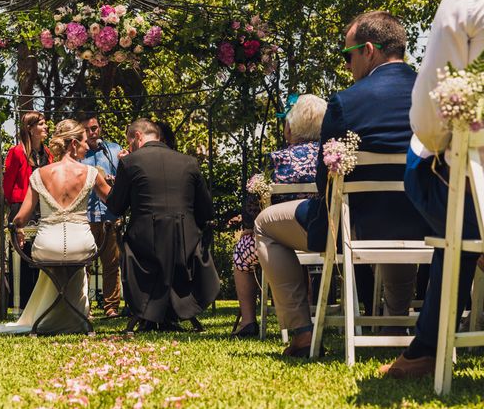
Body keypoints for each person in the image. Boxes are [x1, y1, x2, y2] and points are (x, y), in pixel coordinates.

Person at [256, 11, 430, 357]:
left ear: (369, 50)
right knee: (398, 209)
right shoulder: (433, 95)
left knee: (265, 224)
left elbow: (325, 183)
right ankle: (395, 323)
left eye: (347, 55)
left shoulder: (346, 102)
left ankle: (302, 332)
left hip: (355, 226)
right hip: (424, 220)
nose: (347, 64)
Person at [380, 0, 484, 378]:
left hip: (475, 188)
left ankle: (427, 347)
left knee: (432, 175)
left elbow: (428, 117)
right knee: (459, 217)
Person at [0, 120, 112, 335]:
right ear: (72, 144)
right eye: (83, 142)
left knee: (55, 260)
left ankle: (51, 316)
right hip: (82, 246)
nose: (88, 146)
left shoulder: (39, 174)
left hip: (46, 247)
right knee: (76, 260)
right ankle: (74, 318)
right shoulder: (91, 173)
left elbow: (21, 218)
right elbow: (114, 201)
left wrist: (17, 228)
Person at [106, 118, 220, 330]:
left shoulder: (130, 163)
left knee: (128, 238)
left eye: (129, 141)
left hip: (145, 246)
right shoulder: (189, 162)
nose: (129, 147)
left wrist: (100, 186)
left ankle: (149, 312)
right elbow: (206, 211)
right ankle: (174, 312)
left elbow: (116, 207)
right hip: (185, 245)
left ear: (138, 137)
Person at [232, 94, 326, 338]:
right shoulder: (331, 158)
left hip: (280, 239)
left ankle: (249, 321)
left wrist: (248, 227)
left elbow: (254, 206)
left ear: (291, 127)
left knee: (243, 251)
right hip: (326, 234)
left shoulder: (277, 160)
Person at [3, 111, 53, 309]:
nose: (45, 127)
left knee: (40, 254)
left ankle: (40, 303)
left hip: (43, 208)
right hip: (21, 207)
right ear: (30, 129)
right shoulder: (17, 152)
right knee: (22, 256)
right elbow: (8, 185)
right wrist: (17, 209)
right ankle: (21, 304)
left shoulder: (48, 154)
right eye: (41, 124)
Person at [79, 113, 123, 318]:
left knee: (112, 263)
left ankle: (111, 307)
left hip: (109, 215)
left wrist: (116, 181)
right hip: (85, 217)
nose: (92, 132)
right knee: (84, 265)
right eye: (87, 129)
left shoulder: (113, 149)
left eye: (95, 127)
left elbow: (126, 177)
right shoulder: (79, 153)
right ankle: (83, 307)